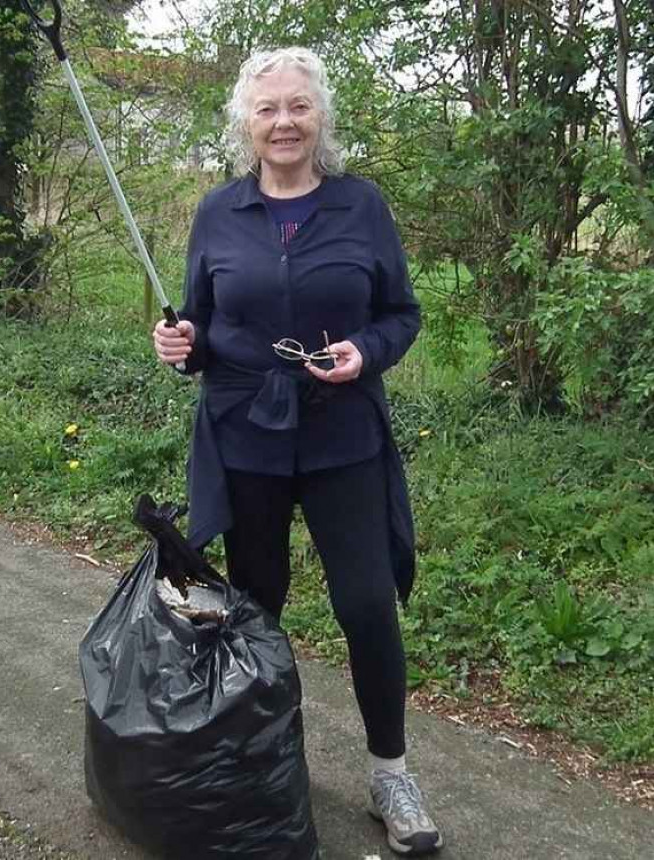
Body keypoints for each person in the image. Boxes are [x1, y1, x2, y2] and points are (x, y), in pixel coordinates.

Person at [153, 47, 443, 857]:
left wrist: (366, 351)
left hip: (341, 433)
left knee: (365, 604)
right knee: (256, 608)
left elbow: (401, 314)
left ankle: (392, 776)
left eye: (298, 107)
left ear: (321, 119)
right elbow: (201, 326)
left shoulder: (362, 207)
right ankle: (262, 762)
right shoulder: (218, 212)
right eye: (268, 108)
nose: (284, 122)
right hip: (245, 432)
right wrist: (181, 343)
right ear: (246, 123)